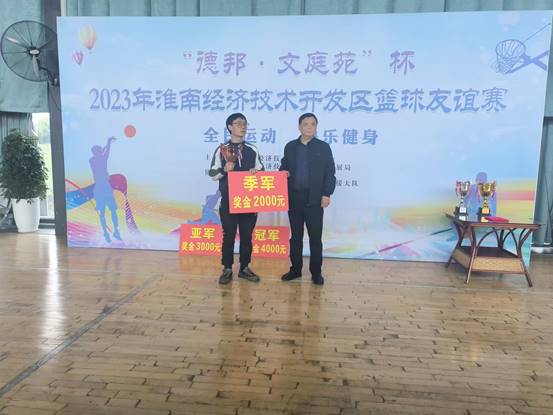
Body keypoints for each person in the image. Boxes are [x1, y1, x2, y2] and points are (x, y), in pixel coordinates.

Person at [279, 113, 336, 285]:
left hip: (315, 199)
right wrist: (283, 172)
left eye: (313, 124)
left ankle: (316, 273)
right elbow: (284, 167)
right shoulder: (290, 147)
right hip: (294, 198)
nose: (309, 127)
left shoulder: (323, 147)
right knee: (296, 237)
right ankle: (295, 269)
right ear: (299, 127)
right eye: (306, 124)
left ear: (316, 127)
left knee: (315, 238)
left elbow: (330, 173)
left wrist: (326, 194)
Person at [209, 113, 264, 284]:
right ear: (230, 127)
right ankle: (227, 269)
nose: (243, 126)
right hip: (229, 201)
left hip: (248, 201)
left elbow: (262, 172)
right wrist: (224, 170)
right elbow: (212, 174)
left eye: (245, 123)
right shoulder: (222, 149)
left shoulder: (252, 149)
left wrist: (256, 173)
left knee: (247, 236)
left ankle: (244, 268)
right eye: (239, 123)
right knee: (229, 236)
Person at [89, 136, 121, 243]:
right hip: (104, 188)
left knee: (104, 212)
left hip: (99, 188)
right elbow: (106, 152)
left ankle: (108, 232)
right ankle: (115, 231)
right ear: (98, 152)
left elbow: (103, 152)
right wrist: (108, 142)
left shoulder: (92, 160)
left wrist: (105, 146)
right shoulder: (101, 159)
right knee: (111, 211)